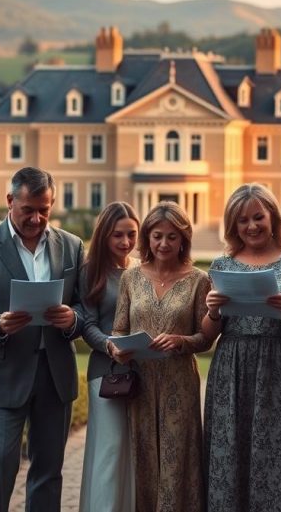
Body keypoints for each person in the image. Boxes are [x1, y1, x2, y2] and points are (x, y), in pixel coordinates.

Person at [0, 166, 85, 512]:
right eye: (28, 209)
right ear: (10, 201)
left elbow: (85, 308)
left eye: (44, 210)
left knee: (48, 471)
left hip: (55, 376)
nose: (36, 218)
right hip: (2, 375)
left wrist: (72, 319)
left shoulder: (72, 246)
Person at [202, 184, 281, 512]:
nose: (251, 226)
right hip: (230, 369)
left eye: (258, 217)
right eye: (242, 220)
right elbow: (207, 335)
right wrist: (213, 311)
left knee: (274, 452)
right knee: (230, 452)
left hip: (277, 368)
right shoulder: (222, 264)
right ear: (233, 225)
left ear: (272, 216)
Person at [109, 201, 212, 512]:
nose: (164, 243)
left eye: (171, 236)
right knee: (143, 461)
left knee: (176, 460)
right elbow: (118, 329)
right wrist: (118, 349)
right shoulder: (130, 278)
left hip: (179, 385)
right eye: (157, 236)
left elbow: (205, 338)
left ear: (183, 239)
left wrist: (181, 341)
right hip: (139, 385)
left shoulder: (198, 280)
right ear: (147, 238)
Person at [78, 201, 140, 512]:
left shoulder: (142, 269)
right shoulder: (90, 271)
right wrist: (110, 345)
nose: (126, 242)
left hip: (141, 372)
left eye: (132, 234)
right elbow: (87, 325)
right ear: (104, 235)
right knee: (110, 451)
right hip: (106, 372)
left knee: (134, 454)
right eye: (118, 235)